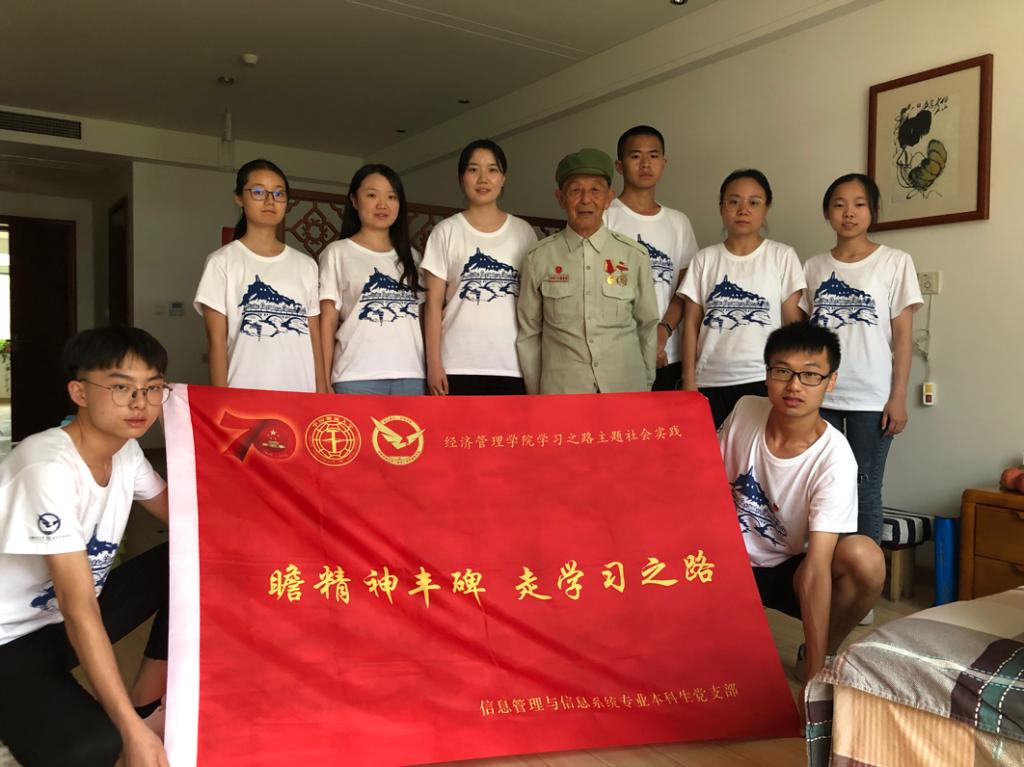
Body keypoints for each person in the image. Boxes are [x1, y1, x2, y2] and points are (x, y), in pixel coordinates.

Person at [0, 327, 173, 767]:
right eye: (121, 387)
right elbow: (77, 605)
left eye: (152, 388)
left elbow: (186, 520)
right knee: (93, 747)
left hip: (57, 622)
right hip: (9, 637)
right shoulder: (47, 466)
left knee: (189, 561)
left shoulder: (126, 452)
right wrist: (127, 732)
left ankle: (144, 705)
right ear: (79, 392)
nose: (139, 402)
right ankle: (127, 722)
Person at [718, 323, 884, 688]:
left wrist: (814, 679)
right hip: (719, 558)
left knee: (865, 559)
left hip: (785, 567)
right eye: (783, 372)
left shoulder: (835, 459)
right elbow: (701, 481)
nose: (795, 386)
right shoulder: (745, 410)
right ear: (767, 375)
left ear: (831, 381)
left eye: (810, 375)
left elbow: (817, 567)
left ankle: (817, 656)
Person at [801, 173, 923, 544]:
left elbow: (903, 339)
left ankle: (864, 577)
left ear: (873, 211)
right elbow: (802, 334)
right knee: (823, 486)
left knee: (865, 487)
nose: (849, 213)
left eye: (859, 204)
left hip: (872, 397)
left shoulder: (895, 262)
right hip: (821, 395)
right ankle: (826, 568)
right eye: (839, 205)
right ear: (827, 213)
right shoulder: (813, 267)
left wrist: (898, 397)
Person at [516, 148, 658, 394]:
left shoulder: (634, 255)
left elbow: (647, 325)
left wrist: (644, 384)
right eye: (575, 190)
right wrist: (536, 395)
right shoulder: (538, 258)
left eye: (595, 190)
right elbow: (529, 333)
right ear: (561, 198)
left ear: (608, 198)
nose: (585, 200)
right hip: (563, 393)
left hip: (625, 389)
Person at [679, 169, 805, 427]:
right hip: (709, 380)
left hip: (763, 378)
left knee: (757, 452)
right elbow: (691, 324)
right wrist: (689, 381)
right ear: (721, 208)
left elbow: (794, 325)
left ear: (766, 208)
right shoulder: (705, 259)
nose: (743, 210)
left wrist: (792, 378)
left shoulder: (782, 256)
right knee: (712, 451)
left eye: (753, 202)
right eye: (733, 201)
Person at [194, 158, 325, 393]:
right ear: (239, 198)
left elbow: (314, 337)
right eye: (258, 192)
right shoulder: (222, 262)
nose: (269, 200)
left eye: (278, 193)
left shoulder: (306, 265)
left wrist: (321, 393)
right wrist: (221, 399)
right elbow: (216, 342)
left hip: (301, 394)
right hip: (244, 392)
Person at [422, 139, 537, 396]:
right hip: (457, 363)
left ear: (503, 178)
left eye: (492, 170)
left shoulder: (523, 233)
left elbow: (533, 302)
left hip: (512, 364)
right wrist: (434, 364)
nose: (483, 178)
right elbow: (432, 305)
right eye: (473, 169)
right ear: (461, 178)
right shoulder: (446, 232)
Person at [604, 125, 698, 391]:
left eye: (653, 156)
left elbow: (685, 289)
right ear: (619, 166)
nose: (645, 163)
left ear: (663, 163)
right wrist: (641, 340)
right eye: (635, 156)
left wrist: (661, 332)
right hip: (617, 352)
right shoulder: (605, 216)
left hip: (668, 353)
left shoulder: (678, 222)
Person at [318, 164, 425, 395]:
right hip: (355, 376)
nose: (382, 204)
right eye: (372, 195)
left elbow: (423, 319)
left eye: (391, 197)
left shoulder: (413, 258)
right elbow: (327, 321)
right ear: (354, 201)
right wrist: (323, 380)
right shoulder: (337, 253)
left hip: (411, 376)